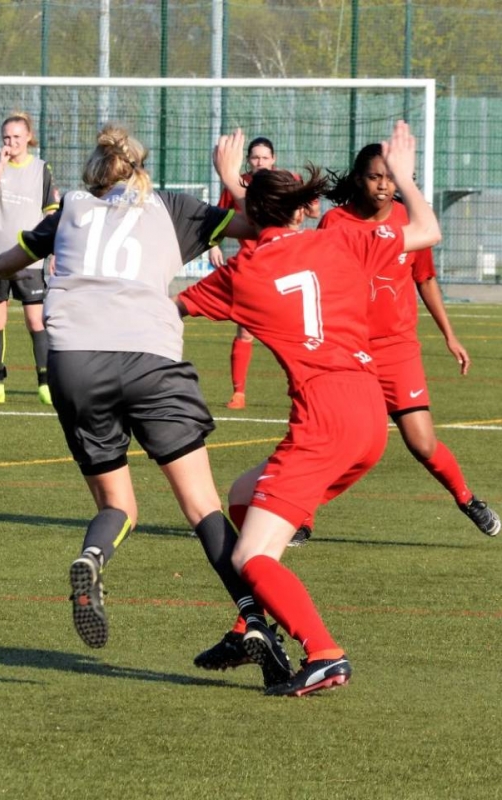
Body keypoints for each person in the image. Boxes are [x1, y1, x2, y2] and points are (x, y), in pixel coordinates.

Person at [0, 123, 292, 689]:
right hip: (149, 358)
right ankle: (255, 620)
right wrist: (232, 180)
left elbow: (7, 262)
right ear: (140, 167)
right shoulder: (171, 207)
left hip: (75, 361)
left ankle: (93, 556)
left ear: (95, 171)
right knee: (202, 506)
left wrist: (8, 262)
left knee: (118, 503)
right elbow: (260, 225)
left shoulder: (71, 207)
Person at [176, 121, 442, 696]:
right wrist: (405, 177)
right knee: (243, 494)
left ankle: (324, 653)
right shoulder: (337, 238)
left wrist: (229, 183)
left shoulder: (242, 273)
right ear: (299, 211)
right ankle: (250, 626)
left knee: (249, 556)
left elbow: (169, 306)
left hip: (324, 421)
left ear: (251, 212)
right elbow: (428, 230)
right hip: (369, 413)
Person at [318, 142, 501, 536]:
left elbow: (425, 279)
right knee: (345, 443)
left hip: (397, 350)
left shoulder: (408, 219)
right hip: (350, 351)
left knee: (422, 443)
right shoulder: (335, 223)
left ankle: (466, 498)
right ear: (358, 179)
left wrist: (450, 336)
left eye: (389, 177)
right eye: (374, 177)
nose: (383, 185)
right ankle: (300, 516)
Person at [208, 136, 319, 410]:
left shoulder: (288, 180)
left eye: (264, 157)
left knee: (298, 330)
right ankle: (239, 393)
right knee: (246, 329)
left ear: (273, 159)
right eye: (255, 157)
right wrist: (213, 245)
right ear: (248, 160)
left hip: (287, 261)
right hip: (254, 265)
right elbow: (219, 215)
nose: (260, 162)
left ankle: (307, 387)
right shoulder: (239, 184)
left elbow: (314, 212)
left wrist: (308, 203)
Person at [0, 111, 60, 405]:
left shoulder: (41, 169)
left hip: (29, 259)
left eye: (17, 137)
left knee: (36, 321)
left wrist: (52, 250)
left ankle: (45, 385)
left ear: (28, 138)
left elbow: (51, 213)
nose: (11, 143)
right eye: (6, 138)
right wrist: (0, 168)